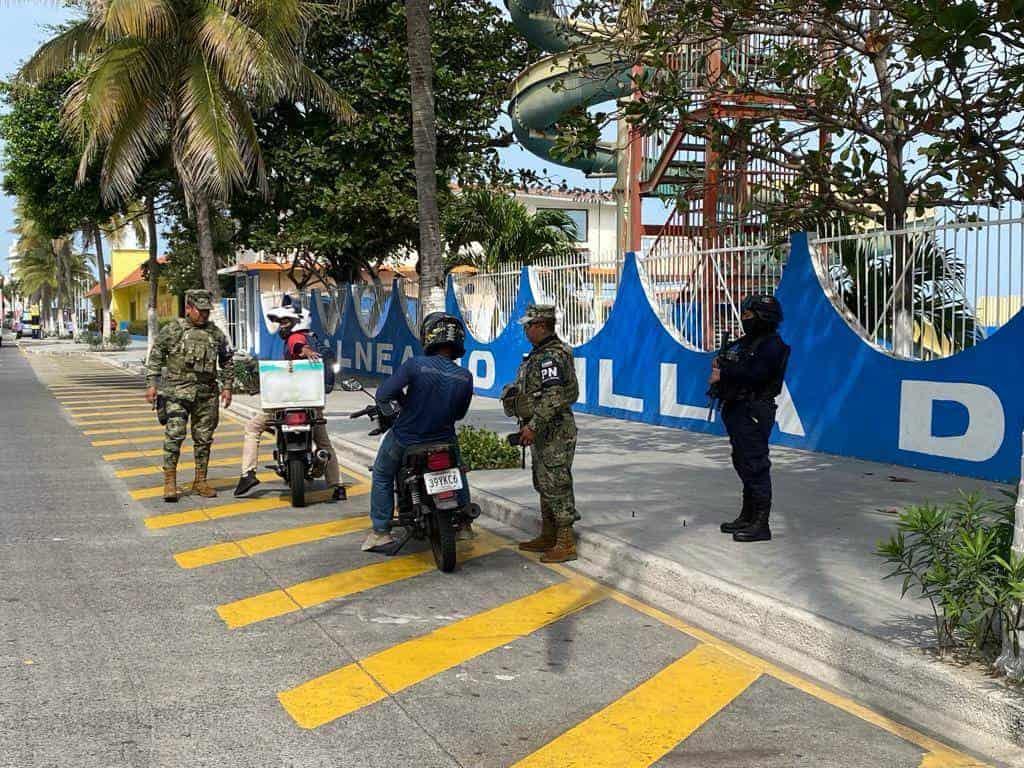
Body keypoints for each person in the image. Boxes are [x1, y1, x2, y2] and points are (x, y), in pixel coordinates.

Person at [362, 312, 474, 552]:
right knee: (458, 469)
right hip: (444, 438)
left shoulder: (415, 365)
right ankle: (465, 524)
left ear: (429, 337)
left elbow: (383, 395)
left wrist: (403, 404)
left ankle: (381, 532)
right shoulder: (465, 376)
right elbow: (459, 414)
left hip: (407, 438)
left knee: (382, 473)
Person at [233, 305, 343, 499]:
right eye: (280, 322)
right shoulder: (312, 337)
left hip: (284, 403)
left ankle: (248, 473)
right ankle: (337, 486)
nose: (281, 326)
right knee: (324, 442)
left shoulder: (297, 338)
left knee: (252, 428)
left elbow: (298, 346)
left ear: (297, 322)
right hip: (311, 403)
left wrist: (305, 351)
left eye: (285, 322)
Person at [710, 293, 790, 543]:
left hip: (754, 409)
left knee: (755, 464)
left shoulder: (772, 346)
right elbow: (730, 362)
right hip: (737, 408)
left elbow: (753, 374)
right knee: (742, 461)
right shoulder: (747, 342)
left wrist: (723, 372)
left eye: (748, 315)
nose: (744, 320)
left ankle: (760, 523)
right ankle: (747, 515)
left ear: (763, 317)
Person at [504, 304, 580, 563]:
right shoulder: (541, 353)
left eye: (528, 325)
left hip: (554, 431)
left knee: (556, 483)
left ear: (540, 326)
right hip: (544, 430)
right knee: (543, 482)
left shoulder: (550, 357)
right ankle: (548, 535)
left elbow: (554, 395)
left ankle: (565, 541)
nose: (525, 330)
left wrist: (533, 426)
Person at [145, 289, 234, 503]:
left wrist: (228, 387)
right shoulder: (173, 330)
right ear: (188, 308)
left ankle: (200, 480)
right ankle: (170, 482)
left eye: (206, 311)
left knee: (203, 439)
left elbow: (227, 360)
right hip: (177, 394)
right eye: (200, 311)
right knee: (174, 436)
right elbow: (156, 356)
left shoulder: (216, 334)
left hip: (206, 395)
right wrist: (152, 384)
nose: (204, 315)